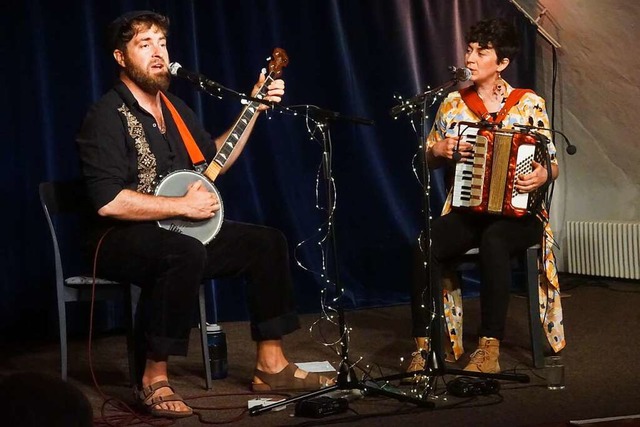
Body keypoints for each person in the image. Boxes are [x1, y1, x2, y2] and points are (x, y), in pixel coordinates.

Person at [76, 10, 331, 418]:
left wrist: (253, 108)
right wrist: (182, 206)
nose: (158, 53)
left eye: (161, 42)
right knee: (182, 252)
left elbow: (212, 159)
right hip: (114, 238)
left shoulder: (174, 108)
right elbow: (108, 200)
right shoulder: (106, 115)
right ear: (121, 58)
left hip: (173, 231)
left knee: (266, 243)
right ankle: (153, 377)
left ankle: (271, 364)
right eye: (145, 44)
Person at [405, 18, 565, 378]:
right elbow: (424, 158)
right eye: (469, 49)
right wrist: (440, 150)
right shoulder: (452, 104)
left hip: (520, 217)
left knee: (495, 239)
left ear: (502, 62)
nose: (470, 57)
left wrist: (542, 174)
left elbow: (551, 164)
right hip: (470, 210)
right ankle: (424, 346)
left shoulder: (528, 104)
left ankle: (489, 346)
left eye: (482, 51)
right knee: (423, 242)